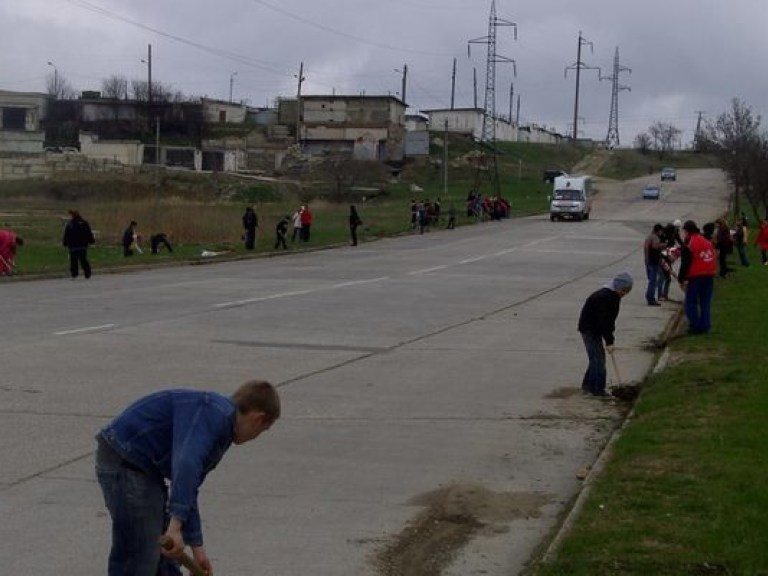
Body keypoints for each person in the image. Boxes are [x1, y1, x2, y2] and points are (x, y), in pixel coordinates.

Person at [95, 380, 280, 576]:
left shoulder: (222, 425)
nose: (255, 436)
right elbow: (186, 464)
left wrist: (197, 548)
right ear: (259, 419)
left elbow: (188, 485)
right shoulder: (214, 414)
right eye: (262, 431)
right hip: (126, 461)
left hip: (143, 469)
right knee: (140, 556)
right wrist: (175, 527)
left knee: (166, 559)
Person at [577, 272, 633, 397]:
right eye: (623, 290)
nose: (624, 294)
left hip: (596, 328)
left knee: (596, 358)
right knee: (598, 359)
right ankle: (597, 389)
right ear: (618, 287)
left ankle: (587, 385)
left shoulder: (614, 296)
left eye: (627, 291)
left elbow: (610, 320)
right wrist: (609, 341)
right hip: (589, 329)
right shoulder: (604, 297)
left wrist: (610, 338)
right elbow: (604, 321)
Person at [678, 220, 717, 334]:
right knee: (705, 302)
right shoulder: (706, 241)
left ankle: (695, 326)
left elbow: (685, 263)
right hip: (709, 275)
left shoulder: (690, 243)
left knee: (691, 302)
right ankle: (705, 326)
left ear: (687, 231)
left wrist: (681, 279)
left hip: (696, 276)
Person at [62, 210, 95, 279]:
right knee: (83, 259)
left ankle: (74, 274)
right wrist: (91, 241)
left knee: (73, 260)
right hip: (83, 245)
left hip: (73, 246)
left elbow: (66, 235)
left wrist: (65, 243)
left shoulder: (70, 224)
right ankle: (87, 273)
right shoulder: (84, 223)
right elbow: (88, 233)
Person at [643, 224, 664, 306]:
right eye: (661, 231)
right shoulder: (655, 238)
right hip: (653, 262)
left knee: (651, 280)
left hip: (648, 261)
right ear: (659, 230)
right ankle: (650, 298)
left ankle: (649, 296)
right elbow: (655, 246)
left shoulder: (649, 237)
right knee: (653, 281)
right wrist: (663, 245)